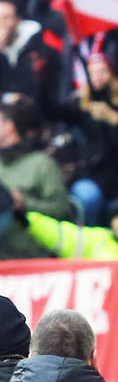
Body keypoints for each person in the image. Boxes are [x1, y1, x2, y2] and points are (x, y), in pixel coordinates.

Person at [0, 97, 73, 260]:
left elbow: (62, 210)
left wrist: (23, 203)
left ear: (9, 127)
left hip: (29, 244)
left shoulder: (41, 163)